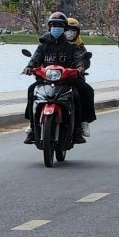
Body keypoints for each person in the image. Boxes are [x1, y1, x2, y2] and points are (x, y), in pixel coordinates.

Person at [23, 12, 91, 145]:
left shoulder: (71, 45)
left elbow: (78, 58)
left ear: (64, 28)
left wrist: (80, 67)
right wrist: (29, 67)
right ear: (49, 27)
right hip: (46, 79)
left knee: (79, 94)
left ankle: (78, 128)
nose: (56, 28)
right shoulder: (43, 44)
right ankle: (32, 127)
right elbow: (36, 58)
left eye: (59, 25)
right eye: (53, 25)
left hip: (67, 80)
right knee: (32, 91)